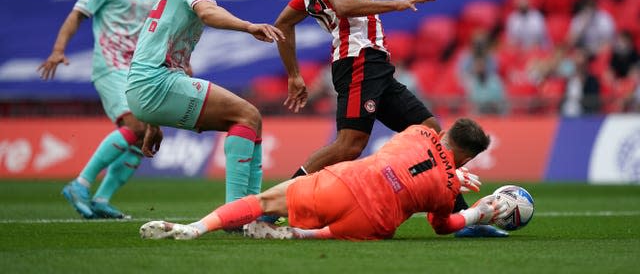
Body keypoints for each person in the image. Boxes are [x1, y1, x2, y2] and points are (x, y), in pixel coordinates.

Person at [272, 0, 505, 237]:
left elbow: (283, 24)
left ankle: (460, 215)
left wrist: (295, 75)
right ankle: (275, 205)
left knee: (430, 131)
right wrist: (395, 5)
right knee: (348, 145)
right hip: (358, 63)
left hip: (374, 66)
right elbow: (342, 5)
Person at [138, 118, 509, 241]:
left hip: (347, 183)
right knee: (334, 232)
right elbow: (442, 225)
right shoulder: (447, 190)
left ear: (445, 134)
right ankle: (298, 235)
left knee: (266, 201)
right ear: (470, 157)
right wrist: (479, 212)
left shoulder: (418, 131)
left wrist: (446, 165)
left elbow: (423, 159)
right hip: (373, 222)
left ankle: (195, 229)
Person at [125, 0, 284, 208]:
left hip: (147, 87)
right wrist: (248, 26)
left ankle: (251, 207)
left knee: (249, 120)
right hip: (155, 85)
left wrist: (152, 120)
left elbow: (160, 50)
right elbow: (208, 14)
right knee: (247, 115)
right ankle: (239, 211)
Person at [38, 0, 163, 219]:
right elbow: (77, 15)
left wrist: (177, 62)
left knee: (147, 136)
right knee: (134, 126)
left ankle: (101, 199)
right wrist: (58, 50)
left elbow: (156, 32)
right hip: (109, 66)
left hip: (139, 71)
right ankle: (80, 184)